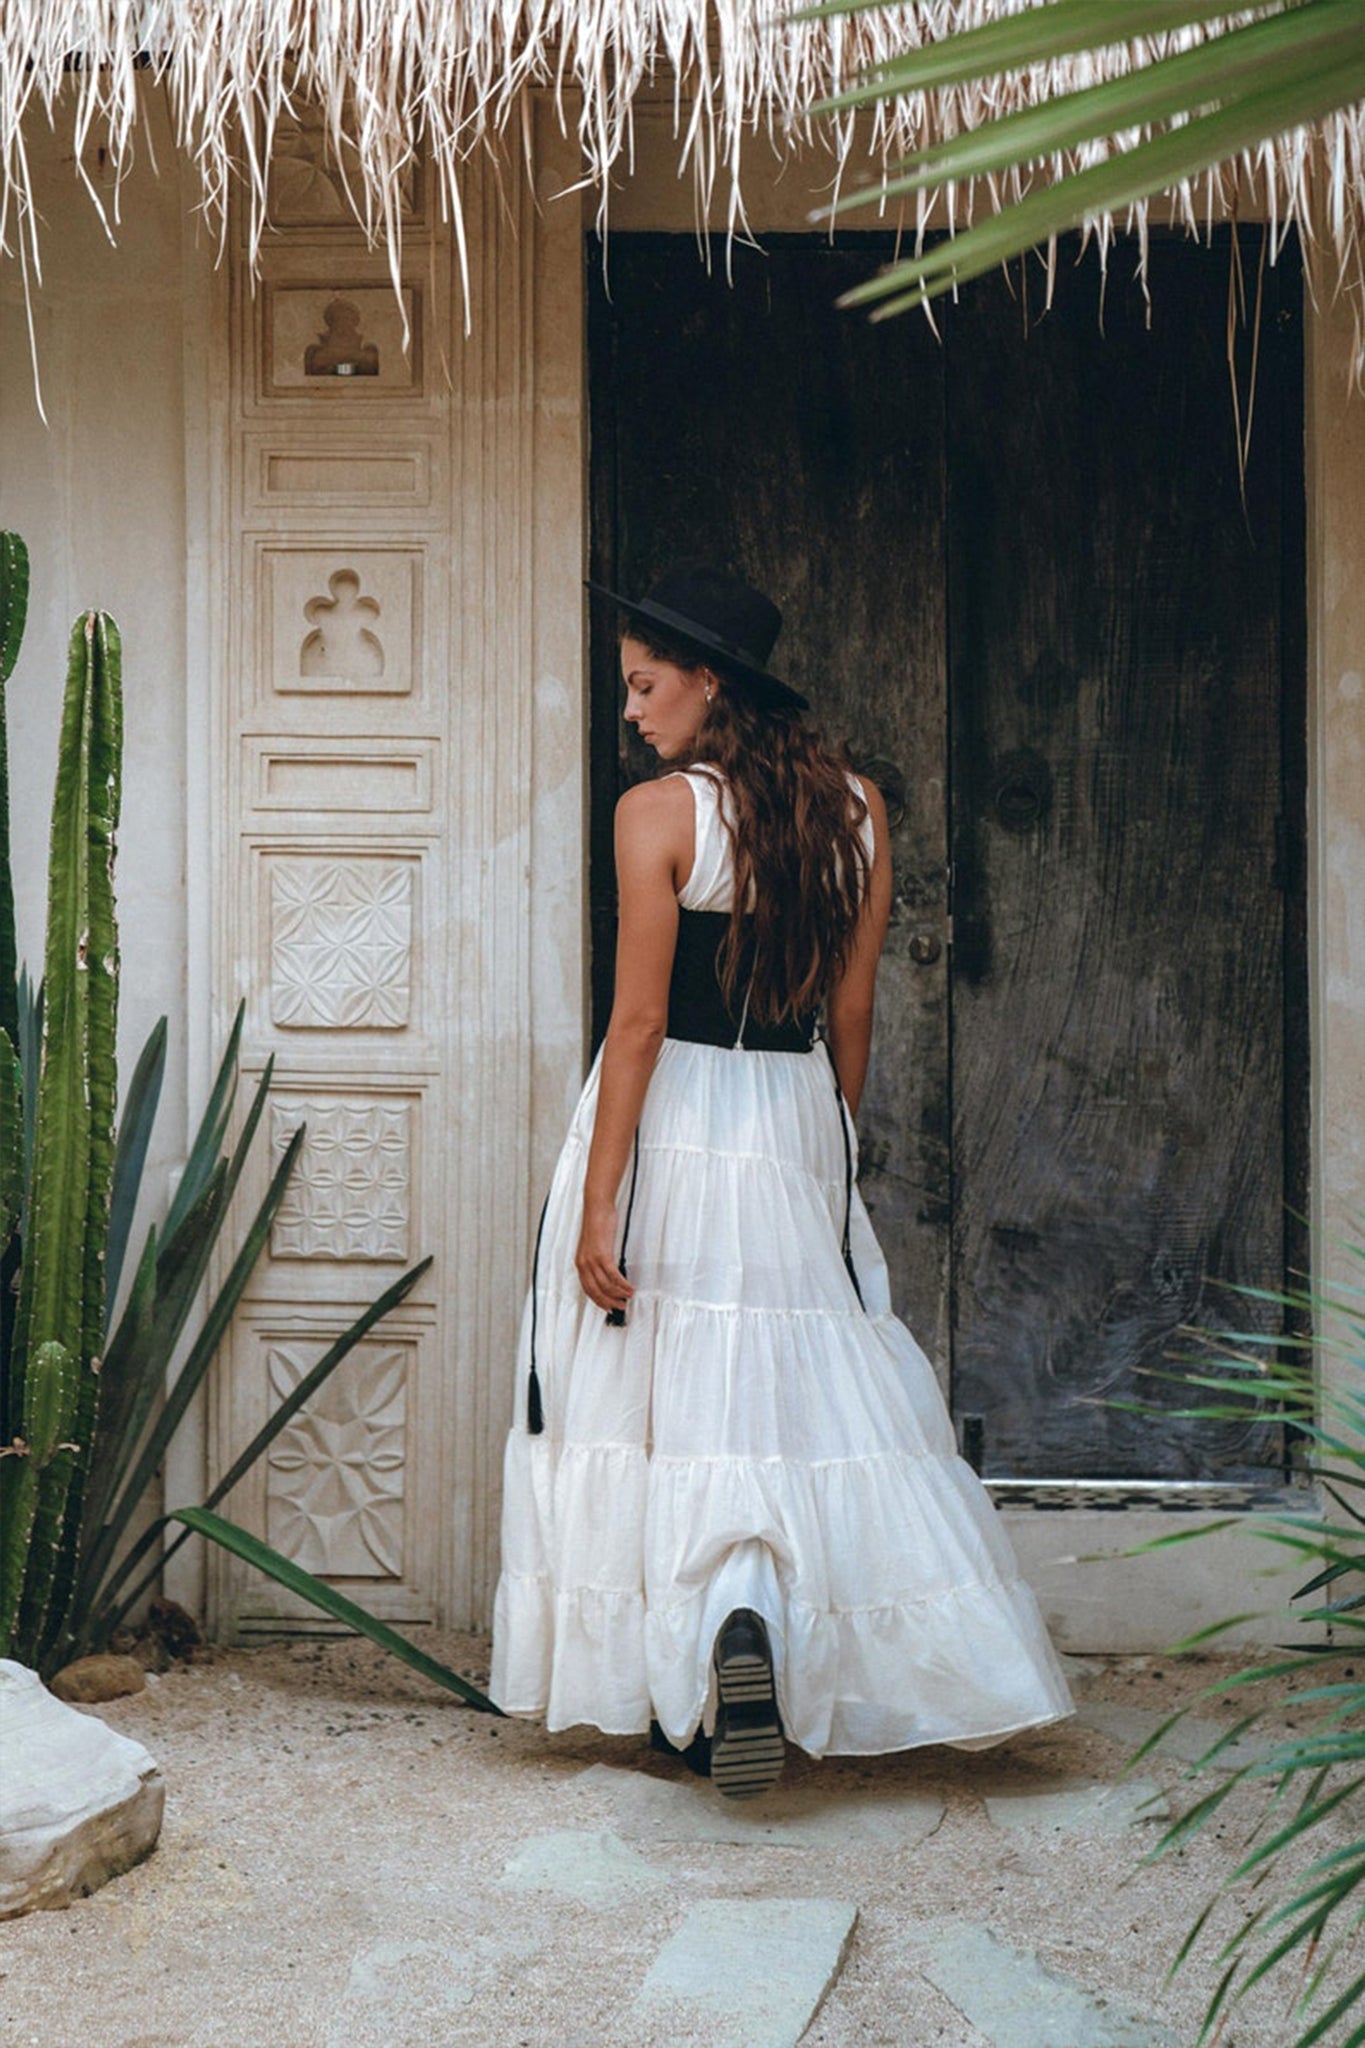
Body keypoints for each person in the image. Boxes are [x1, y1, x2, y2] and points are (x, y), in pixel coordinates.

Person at [490, 564, 1072, 1796]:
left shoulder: (658, 815)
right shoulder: (857, 810)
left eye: (646, 687)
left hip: (675, 1107)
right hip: (793, 1104)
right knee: (792, 1393)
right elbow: (852, 1014)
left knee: (660, 1391)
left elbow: (639, 1023)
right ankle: (748, 1631)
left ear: (711, 684)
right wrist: (821, 1151)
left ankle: (703, 1670)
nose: (634, 713)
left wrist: (601, 1200)